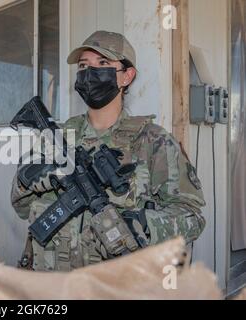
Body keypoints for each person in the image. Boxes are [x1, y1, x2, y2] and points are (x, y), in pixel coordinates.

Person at [11, 30, 206, 272]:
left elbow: (191, 215)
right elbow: (21, 207)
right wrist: (37, 177)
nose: (90, 73)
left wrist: (144, 225)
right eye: (83, 65)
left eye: (103, 63)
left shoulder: (154, 141)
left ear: (127, 76)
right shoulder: (57, 138)